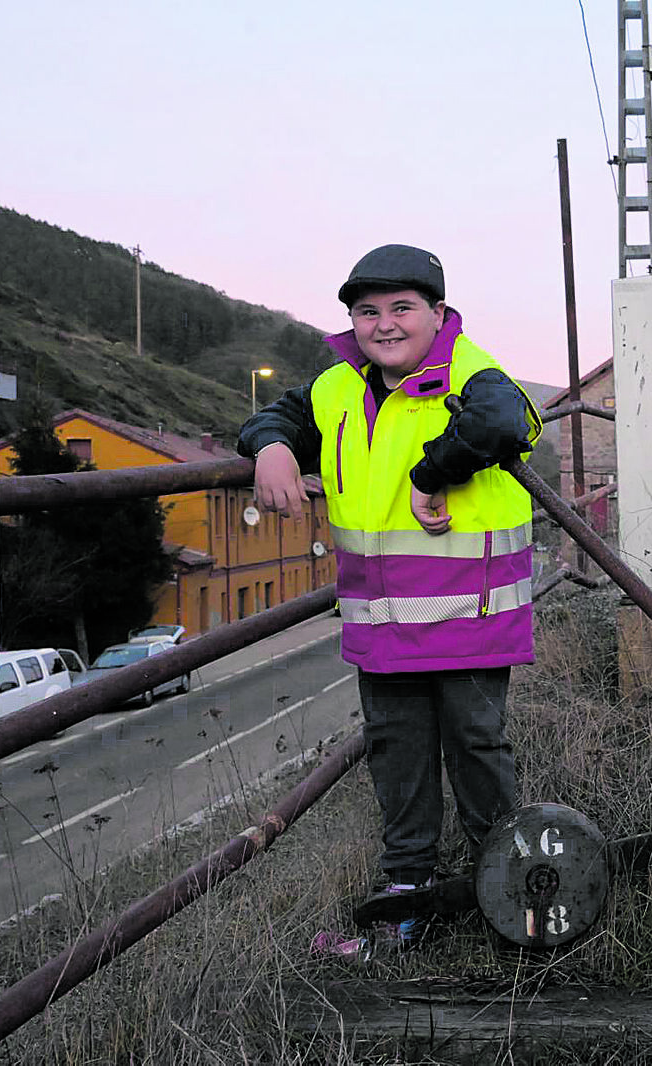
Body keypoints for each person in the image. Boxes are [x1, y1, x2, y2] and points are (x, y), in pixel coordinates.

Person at [237, 244, 541, 945]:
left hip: (470, 615)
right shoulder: (336, 387)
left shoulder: (472, 370)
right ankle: (409, 895)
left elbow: (504, 425)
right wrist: (272, 448)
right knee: (396, 752)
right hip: (382, 624)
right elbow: (274, 416)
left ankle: (507, 886)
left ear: (438, 313)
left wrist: (432, 475)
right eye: (366, 312)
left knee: (475, 746)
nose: (384, 324)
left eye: (403, 308)